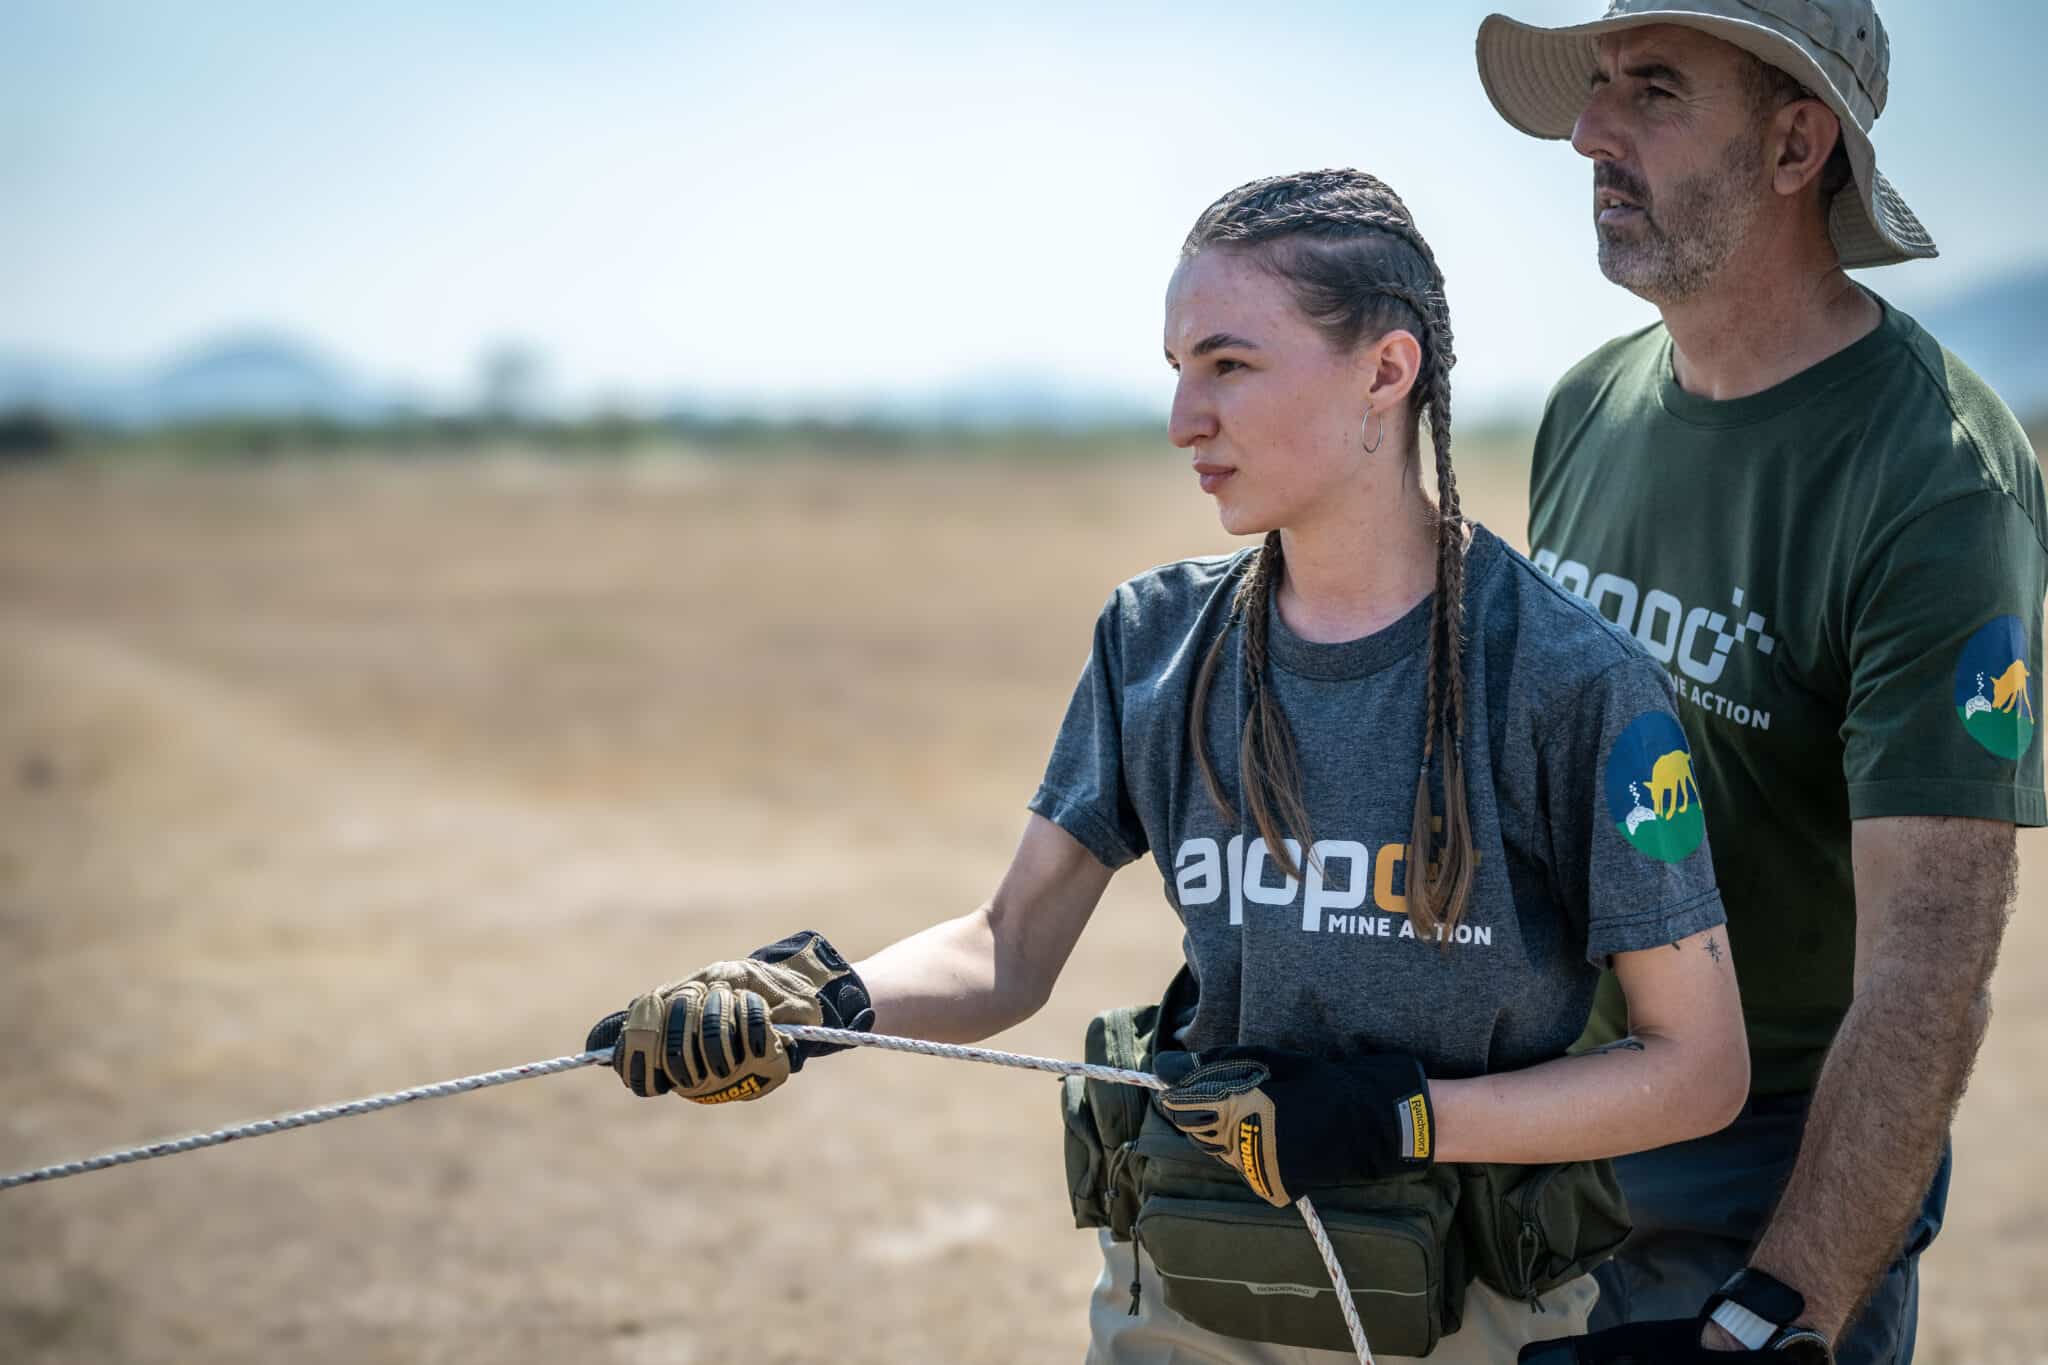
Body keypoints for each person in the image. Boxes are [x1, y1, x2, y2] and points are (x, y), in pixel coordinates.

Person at [586, 168, 1751, 1363]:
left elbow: (1697, 1069)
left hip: (1461, 1314)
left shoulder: (1571, 682)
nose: (1184, 419)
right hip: (1181, 1298)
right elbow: (1006, 948)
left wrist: (1395, 1121)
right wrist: (820, 1008)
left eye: (1228, 365)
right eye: (1177, 371)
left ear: (1385, 373)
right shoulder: (1152, 640)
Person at [1473, 3, 2048, 1362]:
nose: (1589, 133)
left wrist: (1777, 1308)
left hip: (1761, 1189)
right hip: (1556, 1153)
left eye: (1654, 92)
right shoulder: (1589, 408)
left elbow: (1927, 968)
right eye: (1600, 85)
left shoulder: (1936, 482)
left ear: (1800, 145)